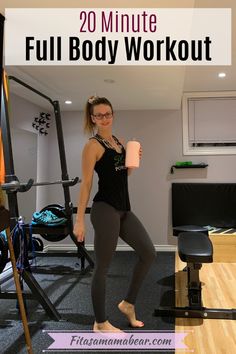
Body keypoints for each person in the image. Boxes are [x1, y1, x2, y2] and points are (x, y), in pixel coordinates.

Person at [73, 96, 156, 332]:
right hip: (104, 209)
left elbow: (120, 177)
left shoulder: (118, 142)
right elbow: (86, 184)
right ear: (92, 118)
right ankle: (100, 323)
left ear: (113, 114)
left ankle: (127, 304)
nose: (104, 118)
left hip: (123, 209)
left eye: (107, 113)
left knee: (148, 253)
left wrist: (130, 165)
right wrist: (79, 220)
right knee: (104, 267)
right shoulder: (93, 146)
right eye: (98, 115)